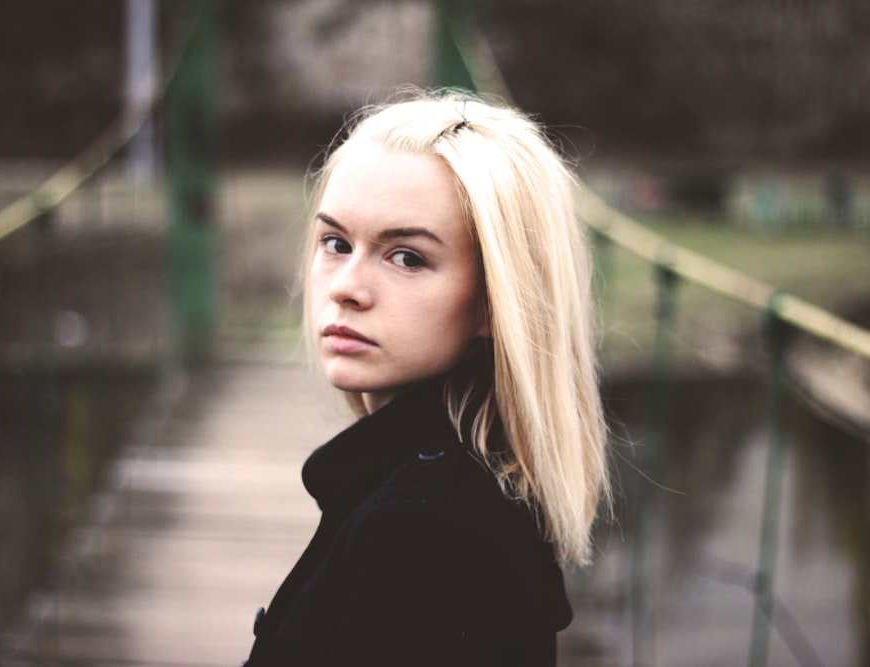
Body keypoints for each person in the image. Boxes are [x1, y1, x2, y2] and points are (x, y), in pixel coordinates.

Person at [245, 88, 609, 667]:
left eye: (407, 257)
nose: (345, 288)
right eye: (335, 243)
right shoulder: (459, 483)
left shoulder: (418, 531)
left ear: (498, 300)